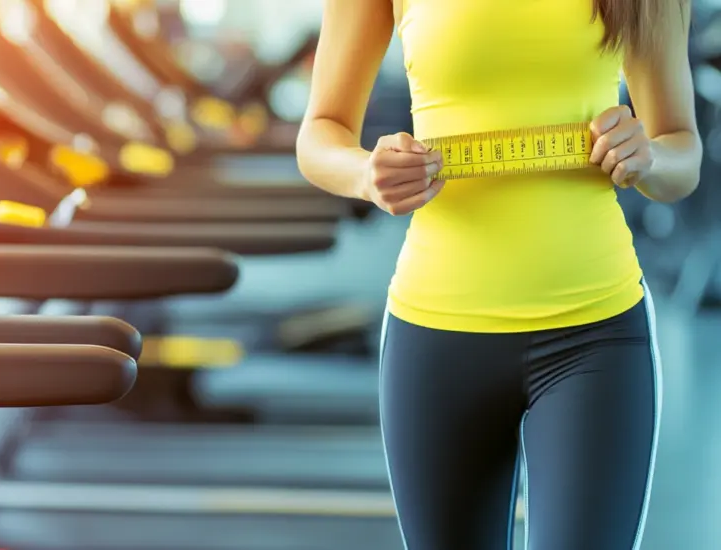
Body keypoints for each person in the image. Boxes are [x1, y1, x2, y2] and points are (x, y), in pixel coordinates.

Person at [295, 1, 702, 549]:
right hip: (436, 334)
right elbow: (320, 132)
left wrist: (649, 158)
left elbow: (683, 151)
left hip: (595, 335)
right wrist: (365, 174)